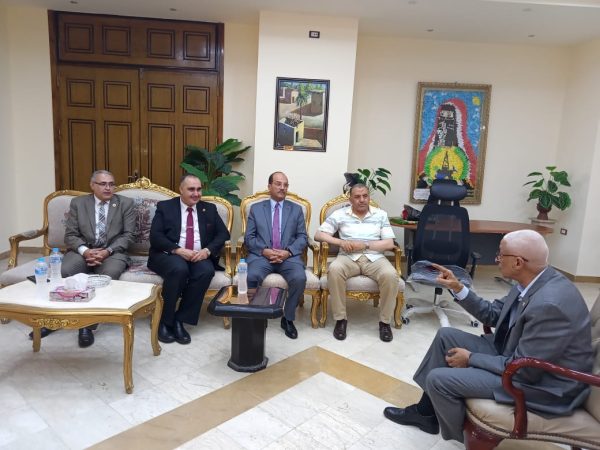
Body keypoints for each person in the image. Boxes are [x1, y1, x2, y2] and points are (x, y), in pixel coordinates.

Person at [383, 230, 593, 443]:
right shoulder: (531, 281)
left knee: (438, 380)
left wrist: (471, 358)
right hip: (514, 356)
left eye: (501, 255)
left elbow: (525, 371)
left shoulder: (549, 305)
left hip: (540, 385)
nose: (496, 259)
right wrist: (458, 288)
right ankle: (425, 413)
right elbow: (493, 314)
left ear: (518, 262)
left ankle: (467, 440)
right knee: (446, 336)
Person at [147, 174, 229, 345]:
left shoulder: (209, 209)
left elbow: (223, 234)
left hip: (198, 254)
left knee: (206, 271)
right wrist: (178, 250)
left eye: (199, 189)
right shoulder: (165, 207)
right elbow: (155, 236)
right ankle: (165, 321)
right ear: (181, 190)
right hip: (169, 254)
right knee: (179, 269)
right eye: (191, 189)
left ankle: (180, 319)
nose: (196, 193)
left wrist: (207, 251)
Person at [315, 183, 399, 342]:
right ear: (350, 199)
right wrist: (340, 242)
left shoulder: (380, 214)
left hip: (375, 258)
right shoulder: (340, 214)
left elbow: (389, 243)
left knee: (390, 274)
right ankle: (340, 320)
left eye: (365, 196)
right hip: (348, 257)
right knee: (334, 269)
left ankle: (385, 323)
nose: (362, 200)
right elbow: (319, 235)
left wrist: (365, 245)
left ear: (369, 197)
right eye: (357, 197)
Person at [61, 169, 135, 347]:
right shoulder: (79, 203)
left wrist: (107, 251)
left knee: (108, 274)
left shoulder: (125, 203)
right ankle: (58, 317)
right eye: (103, 184)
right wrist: (86, 251)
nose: (108, 188)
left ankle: (87, 324)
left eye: (111, 184)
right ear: (92, 185)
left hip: (113, 252)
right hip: (83, 250)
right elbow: (70, 235)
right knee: (67, 270)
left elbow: (129, 235)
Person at [244, 172, 308, 339]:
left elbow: (302, 237)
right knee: (252, 275)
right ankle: (257, 316)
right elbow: (249, 238)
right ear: (269, 186)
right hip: (262, 256)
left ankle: (288, 318)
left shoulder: (296, 209)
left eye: (285, 185)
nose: (282, 188)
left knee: (299, 278)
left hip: (288, 257)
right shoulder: (256, 209)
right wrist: (264, 250)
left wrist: (288, 252)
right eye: (278, 184)